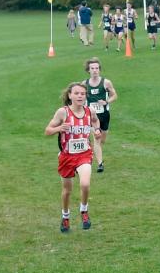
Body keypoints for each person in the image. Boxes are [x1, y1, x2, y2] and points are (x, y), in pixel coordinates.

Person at [44, 82, 101, 232]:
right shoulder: (63, 112)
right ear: (70, 95)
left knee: (85, 184)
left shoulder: (90, 111)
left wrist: (97, 130)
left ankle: (84, 211)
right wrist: (59, 128)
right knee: (67, 191)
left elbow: (95, 121)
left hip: (84, 154)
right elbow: (47, 131)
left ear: (85, 96)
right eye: (76, 93)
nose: (80, 96)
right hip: (67, 156)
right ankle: (65, 216)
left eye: (82, 93)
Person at [83, 57, 118, 173]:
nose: (95, 70)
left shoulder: (106, 82)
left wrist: (107, 101)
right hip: (92, 117)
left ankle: (97, 151)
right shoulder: (84, 84)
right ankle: (100, 164)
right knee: (97, 138)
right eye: (92, 68)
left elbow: (115, 95)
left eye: (97, 68)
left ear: (99, 69)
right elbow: (81, 98)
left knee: (102, 139)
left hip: (104, 115)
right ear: (88, 70)